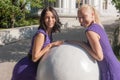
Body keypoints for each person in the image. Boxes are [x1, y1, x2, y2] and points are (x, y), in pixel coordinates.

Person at [11, 6, 64, 80]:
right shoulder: (41, 34)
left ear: (56, 18)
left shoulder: (49, 32)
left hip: (36, 68)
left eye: (52, 17)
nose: (50, 20)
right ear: (43, 19)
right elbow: (35, 58)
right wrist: (50, 45)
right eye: (47, 17)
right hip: (27, 70)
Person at [76, 4, 120, 80]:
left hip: (109, 71)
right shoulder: (97, 26)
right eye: (79, 17)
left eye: (84, 16)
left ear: (92, 15)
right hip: (114, 67)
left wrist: (82, 44)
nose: (81, 20)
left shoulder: (90, 31)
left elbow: (99, 56)